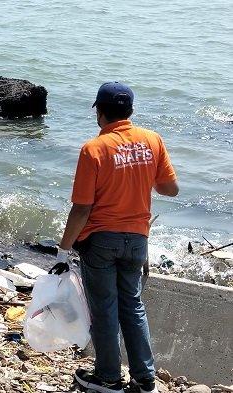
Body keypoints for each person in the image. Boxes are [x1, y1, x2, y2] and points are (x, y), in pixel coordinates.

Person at [58, 82, 179, 393]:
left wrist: (63, 250)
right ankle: (145, 378)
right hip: (137, 240)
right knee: (133, 306)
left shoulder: (94, 149)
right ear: (131, 112)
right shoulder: (152, 140)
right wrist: (141, 173)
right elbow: (170, 189)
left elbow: (82, 208)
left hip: (100, 242)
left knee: (104, 307)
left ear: (100, 112)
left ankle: (109, 377)